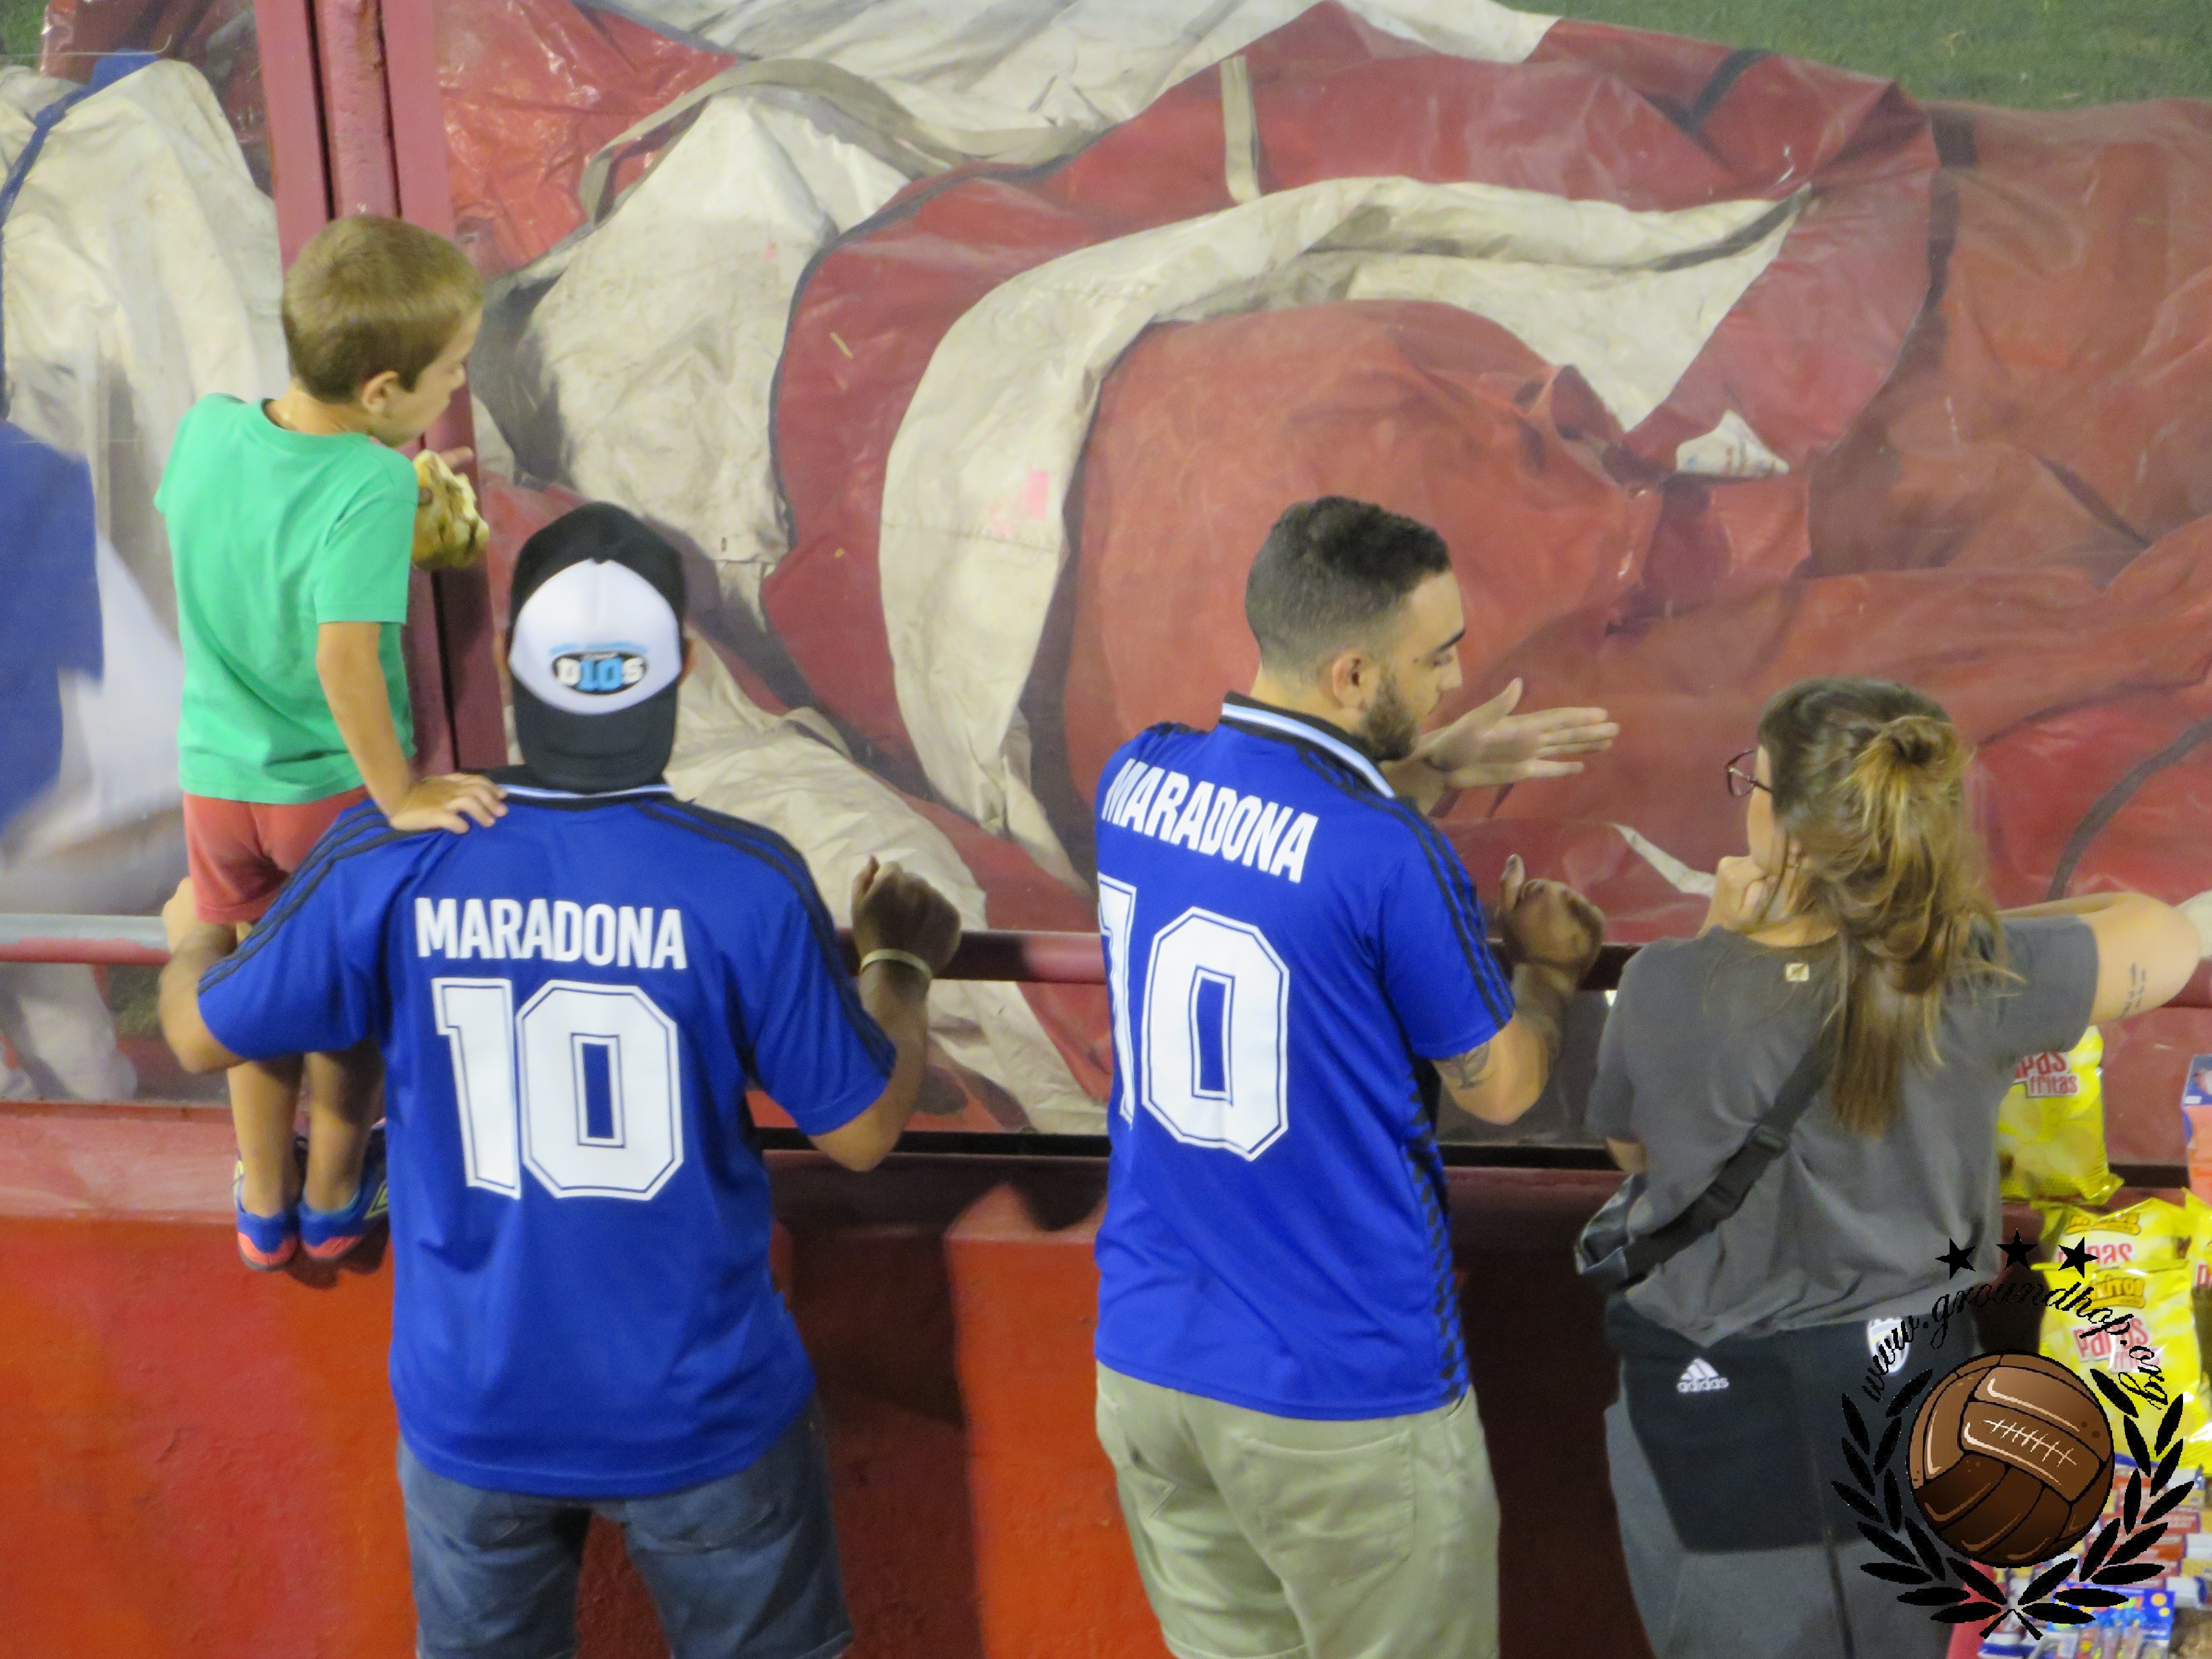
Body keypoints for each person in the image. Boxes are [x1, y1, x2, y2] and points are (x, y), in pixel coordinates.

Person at [156, 504, 963, 1659]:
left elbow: (197, 1037)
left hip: (475, 1409)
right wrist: (897, 964)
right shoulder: (747, 880)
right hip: (705, 1413)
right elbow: (866, 1130)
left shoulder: (392, 855)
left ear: (506, 662)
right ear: (684, 667)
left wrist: (196, 932)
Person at [1089, 495, 1609, 1659]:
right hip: (1341, 1395)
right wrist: (1548, 974)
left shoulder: (1135, 780)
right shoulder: (1391, 855)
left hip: (1152, 1365)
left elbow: (1280, 843)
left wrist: (1426, 768)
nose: (1457, 679)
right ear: (1351, 674)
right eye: (1436, 658)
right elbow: (1499, 1087)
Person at [1589, 676, 2201, 1659]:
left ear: (1782, 821)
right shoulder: (1971, 980)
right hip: (1907, 1421)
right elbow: (2161, 936)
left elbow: (1638, 1152)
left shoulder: (1668, 980)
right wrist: (1949, 937)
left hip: (1710, 1435)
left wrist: (1722, 945)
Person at [155, 214, 505, 1270]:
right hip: (326, 799)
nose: (459, 385)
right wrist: (399, 794)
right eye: (451, 370)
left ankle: (263, 1205)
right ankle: (338, 1191)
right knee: (340, 999)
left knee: (255, 985)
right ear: (384, 391)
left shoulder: (206, 429)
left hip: (218, 782)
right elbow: (344, 658)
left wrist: (386, 476)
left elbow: (248, 519)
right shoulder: (371, 484)